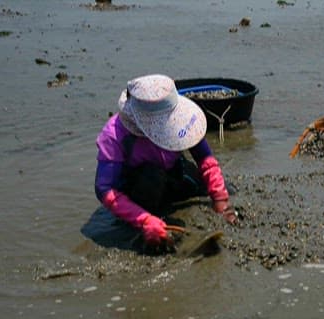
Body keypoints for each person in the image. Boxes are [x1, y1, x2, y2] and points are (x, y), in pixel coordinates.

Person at [94, 74, 236, 249]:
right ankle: (151, 223)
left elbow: (204, 158)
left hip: (174, 171)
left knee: (227, 189)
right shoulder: (115, 135)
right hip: (142, 188)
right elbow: (104, 189)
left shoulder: (180, 120)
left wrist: (220, 198)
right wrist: (144, 219)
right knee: (151, 178)